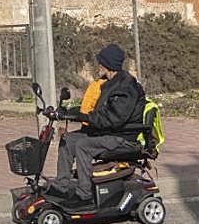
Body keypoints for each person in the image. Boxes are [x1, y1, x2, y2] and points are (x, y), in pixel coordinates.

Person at [49, 43, 146, 205]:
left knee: (83, 146)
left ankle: (84, 195)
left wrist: (82, 117)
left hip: (122, 136)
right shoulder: (110, 83)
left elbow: (113, 119)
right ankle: (61, 187)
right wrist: (70, 112)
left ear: (109, 65)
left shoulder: (126, 87)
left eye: (101, 62)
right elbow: (98, 111)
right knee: (68, 140)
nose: (99, 65)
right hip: (108, 132)